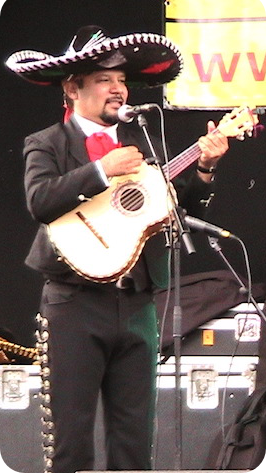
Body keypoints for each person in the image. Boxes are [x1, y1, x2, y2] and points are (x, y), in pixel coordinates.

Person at [6, 25, 228, 473]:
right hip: (73, 306)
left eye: (122, 80)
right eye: (106, 78)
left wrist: (203, 168)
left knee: (134, 447)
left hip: (138, 305)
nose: (119, 88)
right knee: (71, 445)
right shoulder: (46, 143)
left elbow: (164, 206)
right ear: (73, 87)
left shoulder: (142, 141)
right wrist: (100, 170)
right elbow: (41, 202)